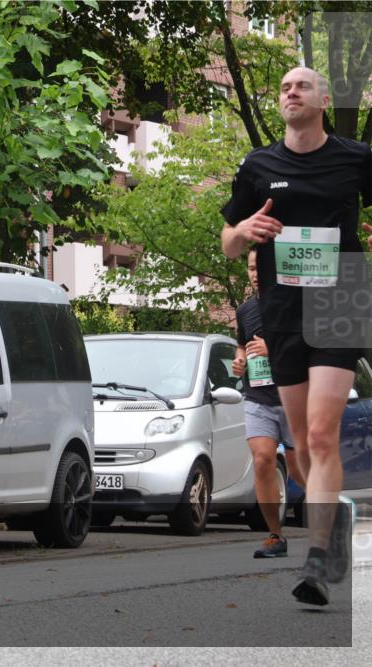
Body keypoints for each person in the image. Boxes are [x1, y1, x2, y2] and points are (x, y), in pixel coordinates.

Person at [221, 67, 372, 606]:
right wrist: (244, 231)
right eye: (285, 87)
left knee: (322, 433)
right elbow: (228, 243)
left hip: (341, 299)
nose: (291, 92)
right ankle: (334, 520)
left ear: (324, 100)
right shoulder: (258, 165)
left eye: (302, 86)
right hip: (281, 309)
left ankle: (319, 557)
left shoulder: (356, 157)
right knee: (303, 444)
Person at [231, 248, 305, 559]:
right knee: (262, 460)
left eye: (261, 267)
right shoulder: (245, 309)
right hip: (258, 397)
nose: (256, 273)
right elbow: (242, 345)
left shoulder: (294, 303)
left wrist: (272, 348)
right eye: (251, 268)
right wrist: (239, 360)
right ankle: (275, 535)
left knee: (299, 471)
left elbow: (311, 344)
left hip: (293, 397)